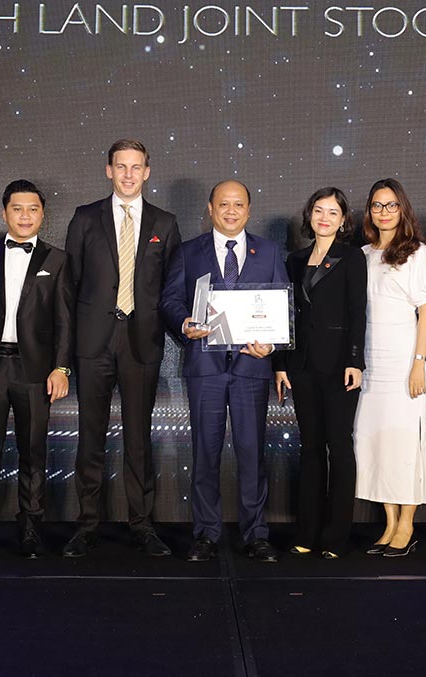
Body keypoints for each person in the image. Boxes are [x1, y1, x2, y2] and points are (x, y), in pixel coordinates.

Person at [61, 139, 182, 559]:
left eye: (136, 167)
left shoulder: (165, 223)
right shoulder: (84, 218)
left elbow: (171, 289)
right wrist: (65, 353)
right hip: (93, 341)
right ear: (108, 170)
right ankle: (86, 526)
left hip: (141, 342)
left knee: (139, 439)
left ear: (147, 171)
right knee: (90, 437)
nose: (129, 174)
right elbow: (69, 286)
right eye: (121, 166)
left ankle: (142, 525)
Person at [161, 180, 288, 563]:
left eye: (238, 205)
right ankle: (206, 534)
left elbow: (284, 306)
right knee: (205, 453)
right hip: (206, 367)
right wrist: (184, 323)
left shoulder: (268, 251)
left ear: (248, 210)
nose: (231, 211)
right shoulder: (189, 252)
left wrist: (273, 344)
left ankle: (256, 534)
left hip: (252, 365)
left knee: (252, 454)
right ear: (211, 209)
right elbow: (170, 300)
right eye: (223, 204)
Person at [0, 180, 74, 558]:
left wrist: (62, 368)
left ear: (43, 214)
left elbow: (65, 320)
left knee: (33, 452)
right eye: (17, 209)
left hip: (34, 371)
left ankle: (31, 528)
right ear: (4, 213)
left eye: (32, 209)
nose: (25, 215)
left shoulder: (58, 259)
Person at [277, 187, 366, 559]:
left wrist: (355, 360)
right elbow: (284, 315)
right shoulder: (294, 260)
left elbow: (358, 312)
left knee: (339, 446)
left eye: (332, 212)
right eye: (318, 210)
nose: (324, 218)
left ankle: (336, 537)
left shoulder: (352, 257)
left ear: (343, 220)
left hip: (340, 366)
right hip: (301, 365)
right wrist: (280, 365)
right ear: (309, 215)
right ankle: (307, 532)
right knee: (310, 448)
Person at [354, 178, 426, 557]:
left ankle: (407, 524)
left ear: (402, 209)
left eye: (391, 205)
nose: (384, 212)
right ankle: (389, 523)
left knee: (405, 443)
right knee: (376, 442)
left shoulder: (417, 253)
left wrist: (419, 363)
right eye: (377, 205)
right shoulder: (362, 255)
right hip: (370, 363)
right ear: (369, 211)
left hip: (405, 360)